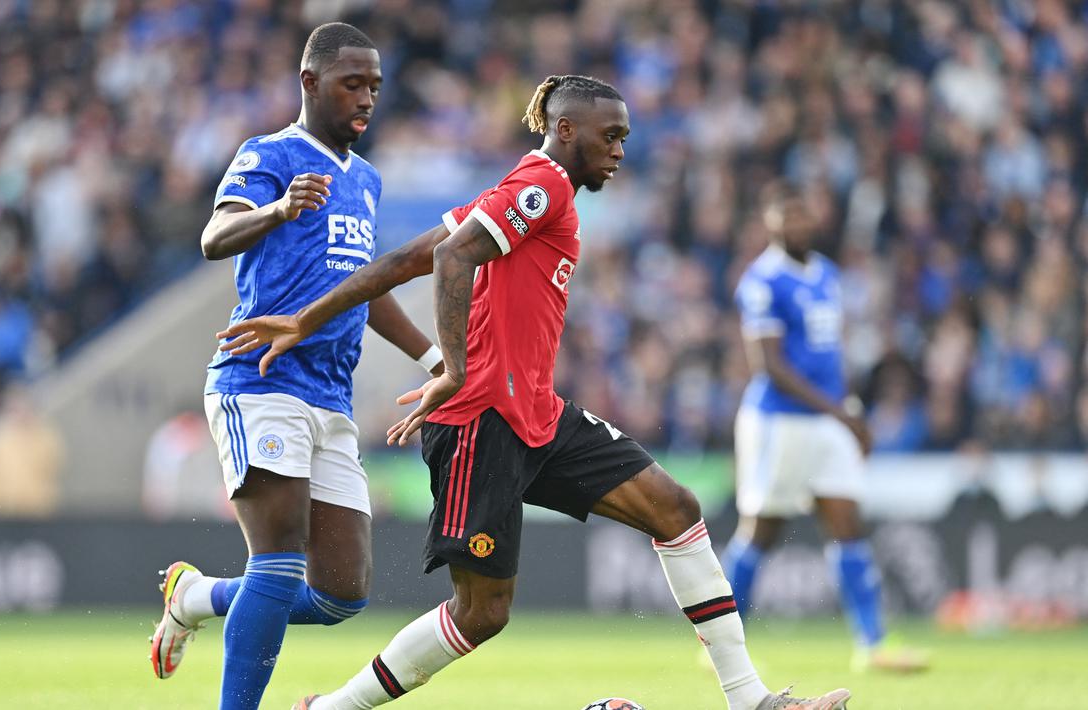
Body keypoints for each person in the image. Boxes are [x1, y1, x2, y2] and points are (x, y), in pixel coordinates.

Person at [220, 75, 851, 710]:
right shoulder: (542, 185)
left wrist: (308, 316)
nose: (620, 150)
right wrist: (455, 368)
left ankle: (751, 700)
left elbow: (407, 258)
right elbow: (451, 258)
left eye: (625, 138)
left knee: (676, 509)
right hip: (480, 421)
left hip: (535, 414)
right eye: (610, 136)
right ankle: (331, 709)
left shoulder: (525, 188)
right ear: (566, 129)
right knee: (481, 613)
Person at [146, 23, 444, 710]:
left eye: (373, 85)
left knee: (341, 594)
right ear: (309, 83)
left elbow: (362, 289)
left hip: (329, 397)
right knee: (277, 563)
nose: (366, 98)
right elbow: (214, 236)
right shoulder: (270, 154)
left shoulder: (364, 180)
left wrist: (432, 359)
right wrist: (278, 209)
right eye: (351, 84)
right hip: (260, 379)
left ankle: (193, 597)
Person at [722, 183, 927, 673]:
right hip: (779, 422)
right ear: (769, 223)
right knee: (761, 533)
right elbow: (769, 366)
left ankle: (873, 645)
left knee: (848, 525)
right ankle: (722, 643)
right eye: (785, 216)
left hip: (827, 420)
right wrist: (841, 414)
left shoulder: (828, 275)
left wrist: (847, 408)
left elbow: (829, 355)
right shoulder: (763, 281)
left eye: (801, 214)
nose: (796, 223)